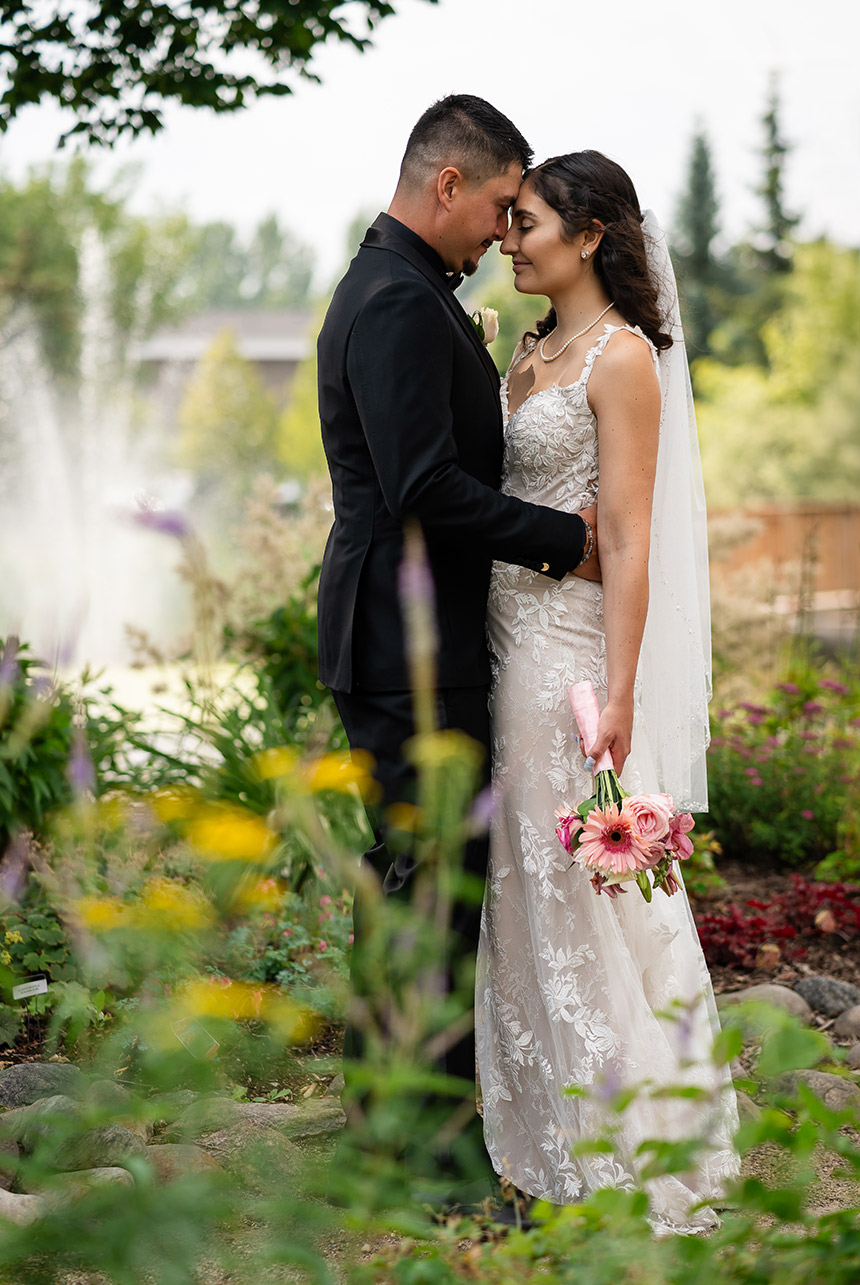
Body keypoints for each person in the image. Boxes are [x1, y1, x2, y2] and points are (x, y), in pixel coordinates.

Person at [316, 97, 598, 1202]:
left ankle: (388, 1138)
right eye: (493, 207)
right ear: (446, 187)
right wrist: (566, 541)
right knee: (425, 892)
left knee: (412, 888)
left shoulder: (406, 292)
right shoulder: (392, 299)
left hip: (407, 635)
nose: (498, 232)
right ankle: (425, 1163)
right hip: (402, 640)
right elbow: (423, 488)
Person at [475, 151, 740, 1234]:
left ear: (586, 235)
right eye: (503, 220)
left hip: (564, 655)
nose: (506, 239)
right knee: (518, 885)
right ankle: (540, 1130)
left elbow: (628, 537)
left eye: (524, 221)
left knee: (579, 887)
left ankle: (636, 1143)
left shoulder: (622, 360)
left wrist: (619, 690)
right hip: (494, 637)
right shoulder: (531, 347)